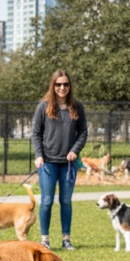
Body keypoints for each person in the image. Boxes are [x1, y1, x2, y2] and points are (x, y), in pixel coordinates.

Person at [31, 70, 88, 250]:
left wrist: (75, 150)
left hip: (68, 165)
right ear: (53, 86)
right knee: (46, 201)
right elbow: (36, 133)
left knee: (66, 201)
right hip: (47, 162)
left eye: (65, 84)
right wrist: (38, 155)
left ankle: (66, 239)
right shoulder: (43, 107)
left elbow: (83, 132)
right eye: (58, 84)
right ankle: (45, 240)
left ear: (70, 86)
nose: (62, 88)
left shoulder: (77, 107)